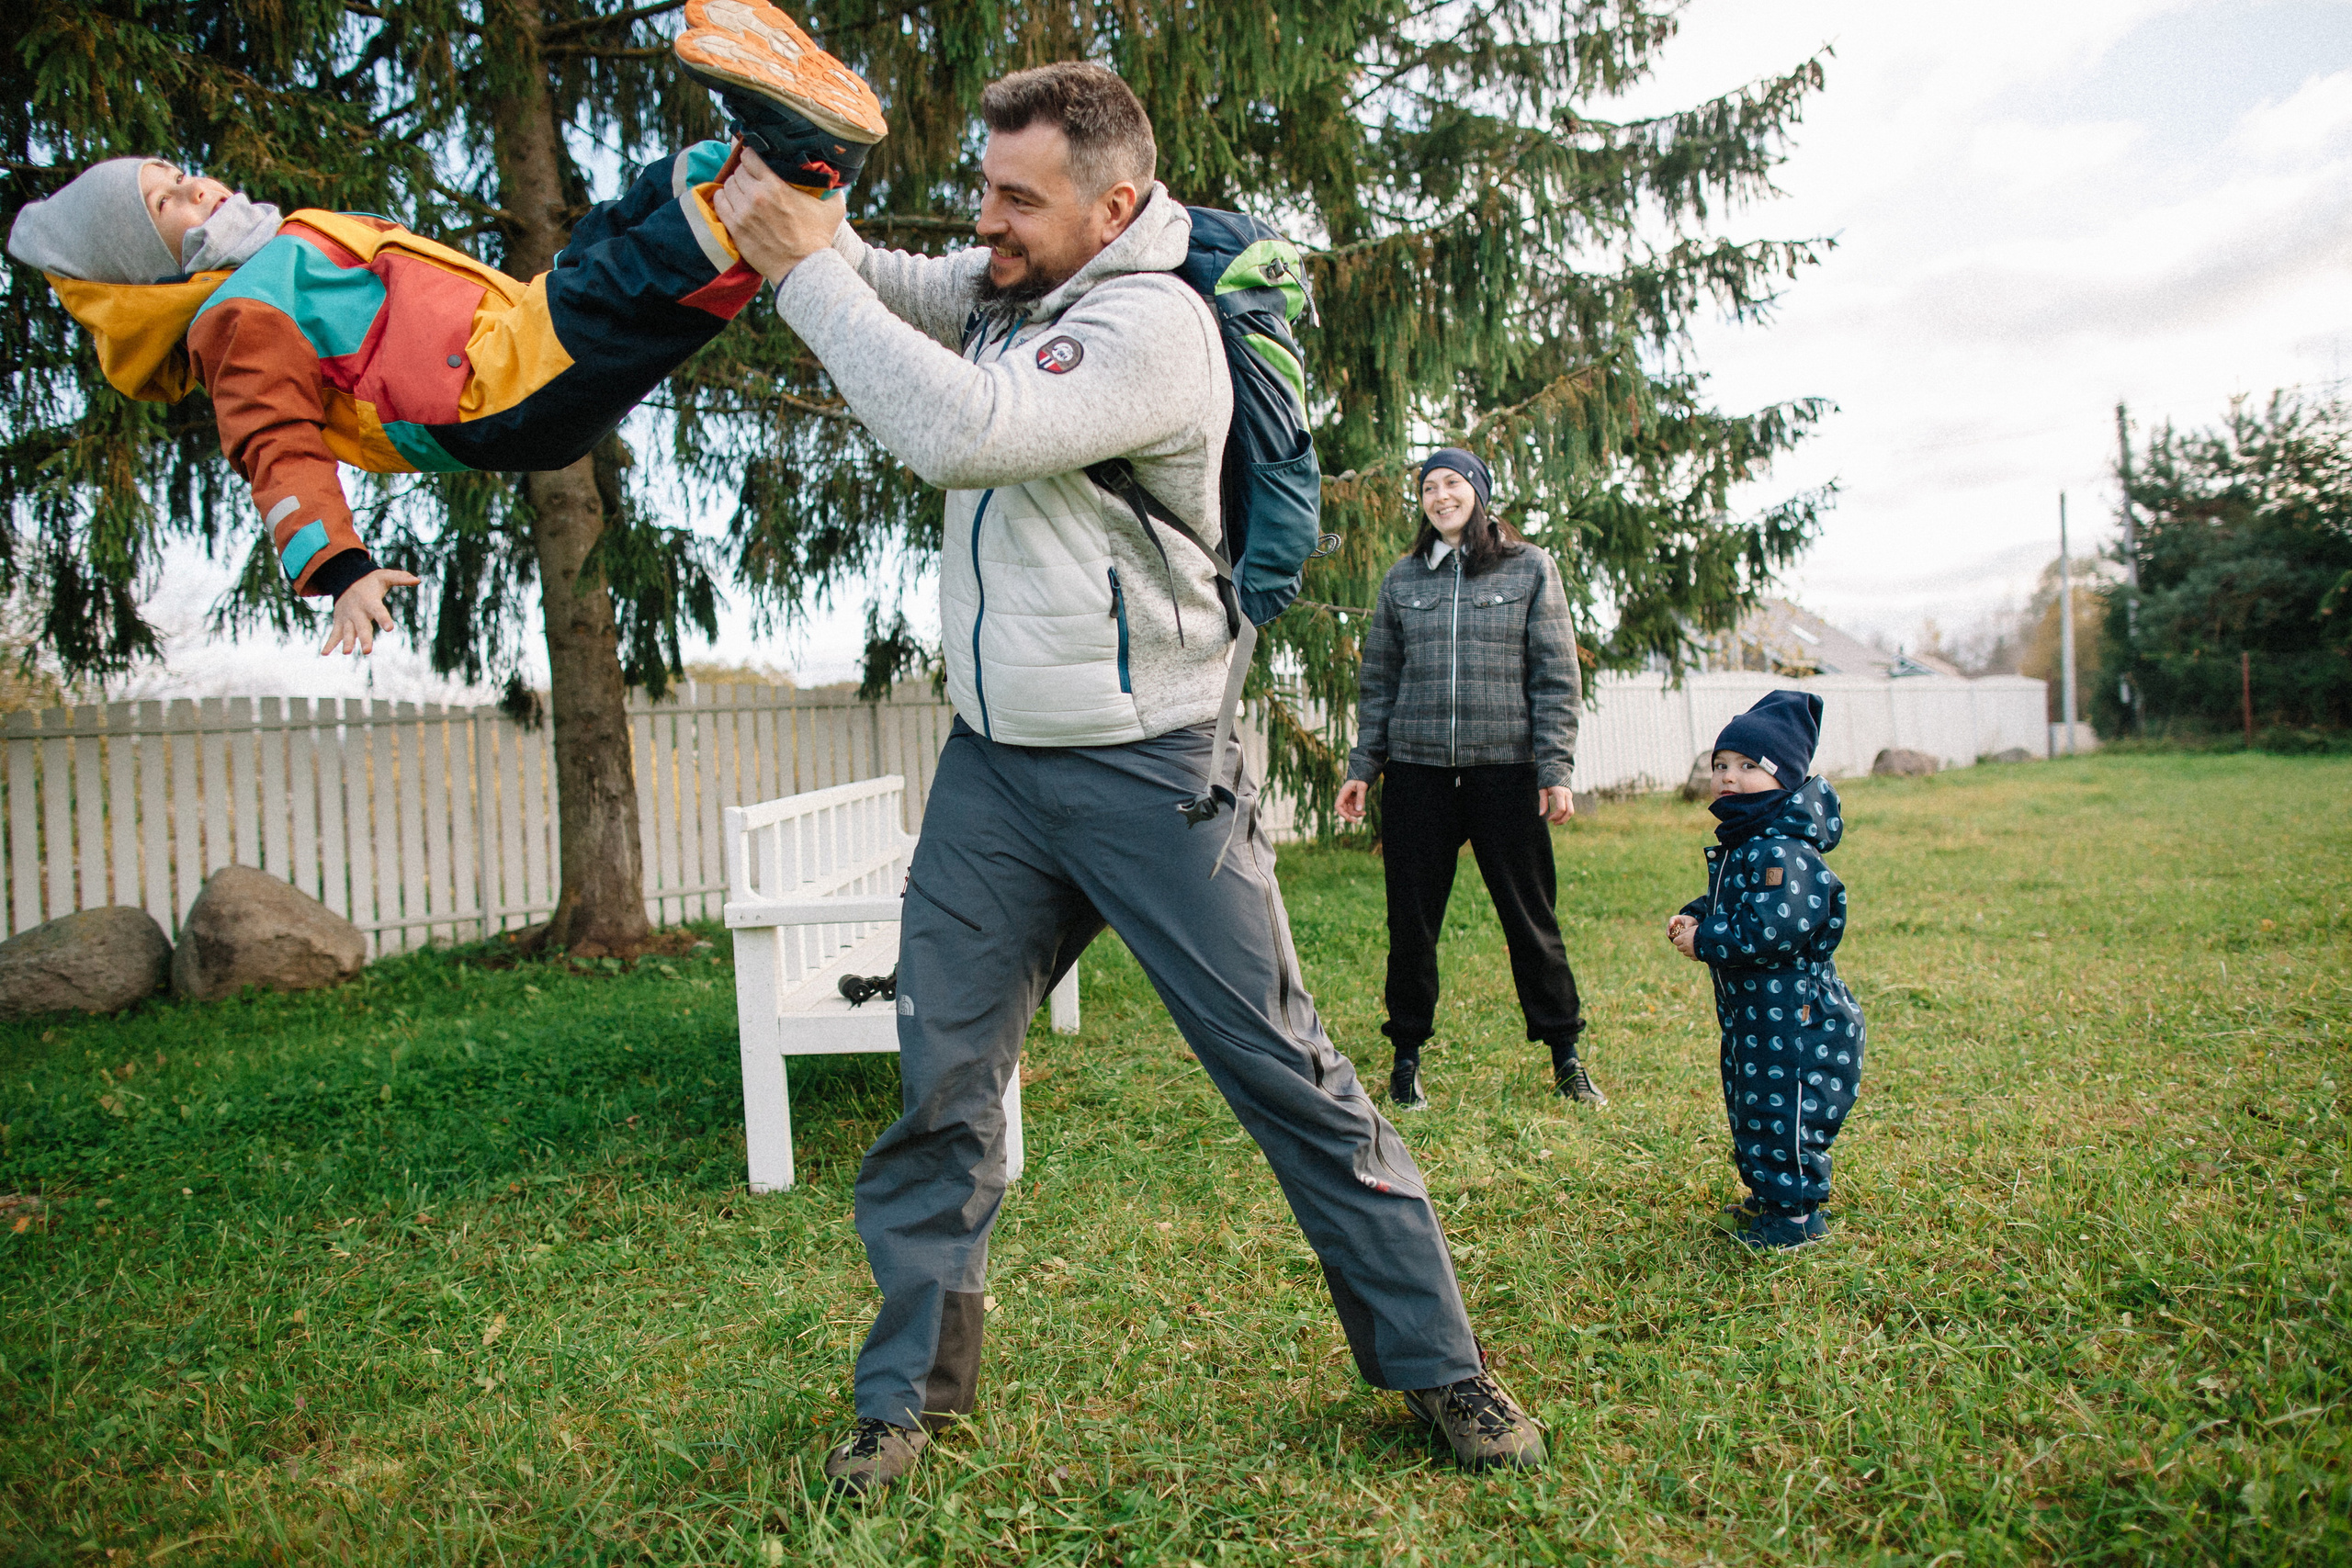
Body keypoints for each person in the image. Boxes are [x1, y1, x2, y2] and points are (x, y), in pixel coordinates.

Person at [712, 55, 1546, 1491]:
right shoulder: (1014, 284)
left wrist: (800, 276)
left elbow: (959, 430)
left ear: (1114, 204)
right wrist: (788, 202)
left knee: (1285, 1070)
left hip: (1153, 770)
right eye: (983, 186)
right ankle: (906, 1394)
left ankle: (1443, 1362)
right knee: (942, 1082)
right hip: (996, 772)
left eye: (1016, 197)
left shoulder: (1155, 328)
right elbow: (886, 283)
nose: (986, 219)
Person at [4, 0, 884, 658]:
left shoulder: (275, 251)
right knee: (629, 282)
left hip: (508, 331)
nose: (195, 187)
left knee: (625, 223)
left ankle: (753, 153)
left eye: (179, 173)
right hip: (488, 395)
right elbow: (275, 446)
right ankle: (801, 167)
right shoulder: (236, 318)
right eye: (164, 203)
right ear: (150, 268)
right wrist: (339, 570)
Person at [1335, 449, 1601, 1111]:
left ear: (1479, 491)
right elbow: (1379, 683)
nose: (1441, 494)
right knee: (1412, 924)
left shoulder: (1529, 568)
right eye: (1429, 486)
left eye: (1453, 482)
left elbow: (1555, 676)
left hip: (1504, 773)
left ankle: (1566, 1054)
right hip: (1418, 774)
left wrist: (1555, 769)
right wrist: (1363, 766)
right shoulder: (1403, 580)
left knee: (1530, 918)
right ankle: (1405, 1058)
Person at [1665, 690, 1866, 1250]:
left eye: (1749, 767)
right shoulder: (1747, 841)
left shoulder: (1784, 850)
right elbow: (1738, 904)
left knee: (1787, 1111)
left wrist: (1707, 940)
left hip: (1794, 1018)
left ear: (1785, 777)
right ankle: (1771, 1197)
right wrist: (1698, 914)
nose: (1729, 776)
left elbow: (1773, 929)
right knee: (1754, 1105)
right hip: (1756, 1016)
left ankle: (1796, 1218)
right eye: (1721, 765)